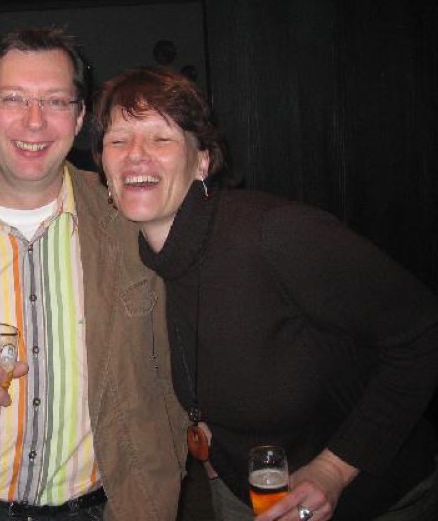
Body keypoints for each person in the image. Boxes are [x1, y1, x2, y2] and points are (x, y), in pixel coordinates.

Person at [92, 64, 438, 521]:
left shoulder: (274, 234)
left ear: (202, 161)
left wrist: (334, 469)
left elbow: (423, 333)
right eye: (119, 140)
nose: (136, 154)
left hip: (373, 498)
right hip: (247, 491)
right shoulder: (148, 258)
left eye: (161, 138)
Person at [0, 28, 188, 521]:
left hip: (114, 508)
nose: (34, 121)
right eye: (13, 99)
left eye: (55, 101)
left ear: (79, 116)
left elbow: (182, 363)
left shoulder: (135, 223)